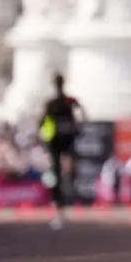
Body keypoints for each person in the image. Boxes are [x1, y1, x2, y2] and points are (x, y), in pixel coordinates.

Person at [40, 73, 86, 229]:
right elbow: (42, 121)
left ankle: (64, 195)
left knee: (64, 169)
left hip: (63, 140)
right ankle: (59, 200)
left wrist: (78, 126)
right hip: (59, 141)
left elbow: (82, 111)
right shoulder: (54, 103)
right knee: (58, 171)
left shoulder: (65, 101)